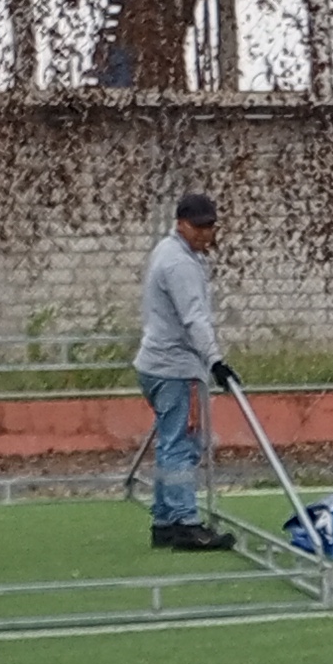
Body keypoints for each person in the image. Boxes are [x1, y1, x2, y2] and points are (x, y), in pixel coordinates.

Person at [135, 190, 239, 552]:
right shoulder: (179, 264)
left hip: (156, 363)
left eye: (210, 226)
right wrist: (215, 361)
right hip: (175, 367)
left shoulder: (170, 251)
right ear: (181, 224)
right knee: (181, 446)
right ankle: (185, 522)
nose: (206, 233)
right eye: (198, 227)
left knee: (170, 443)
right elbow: (194, 318)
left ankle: (165, 521)